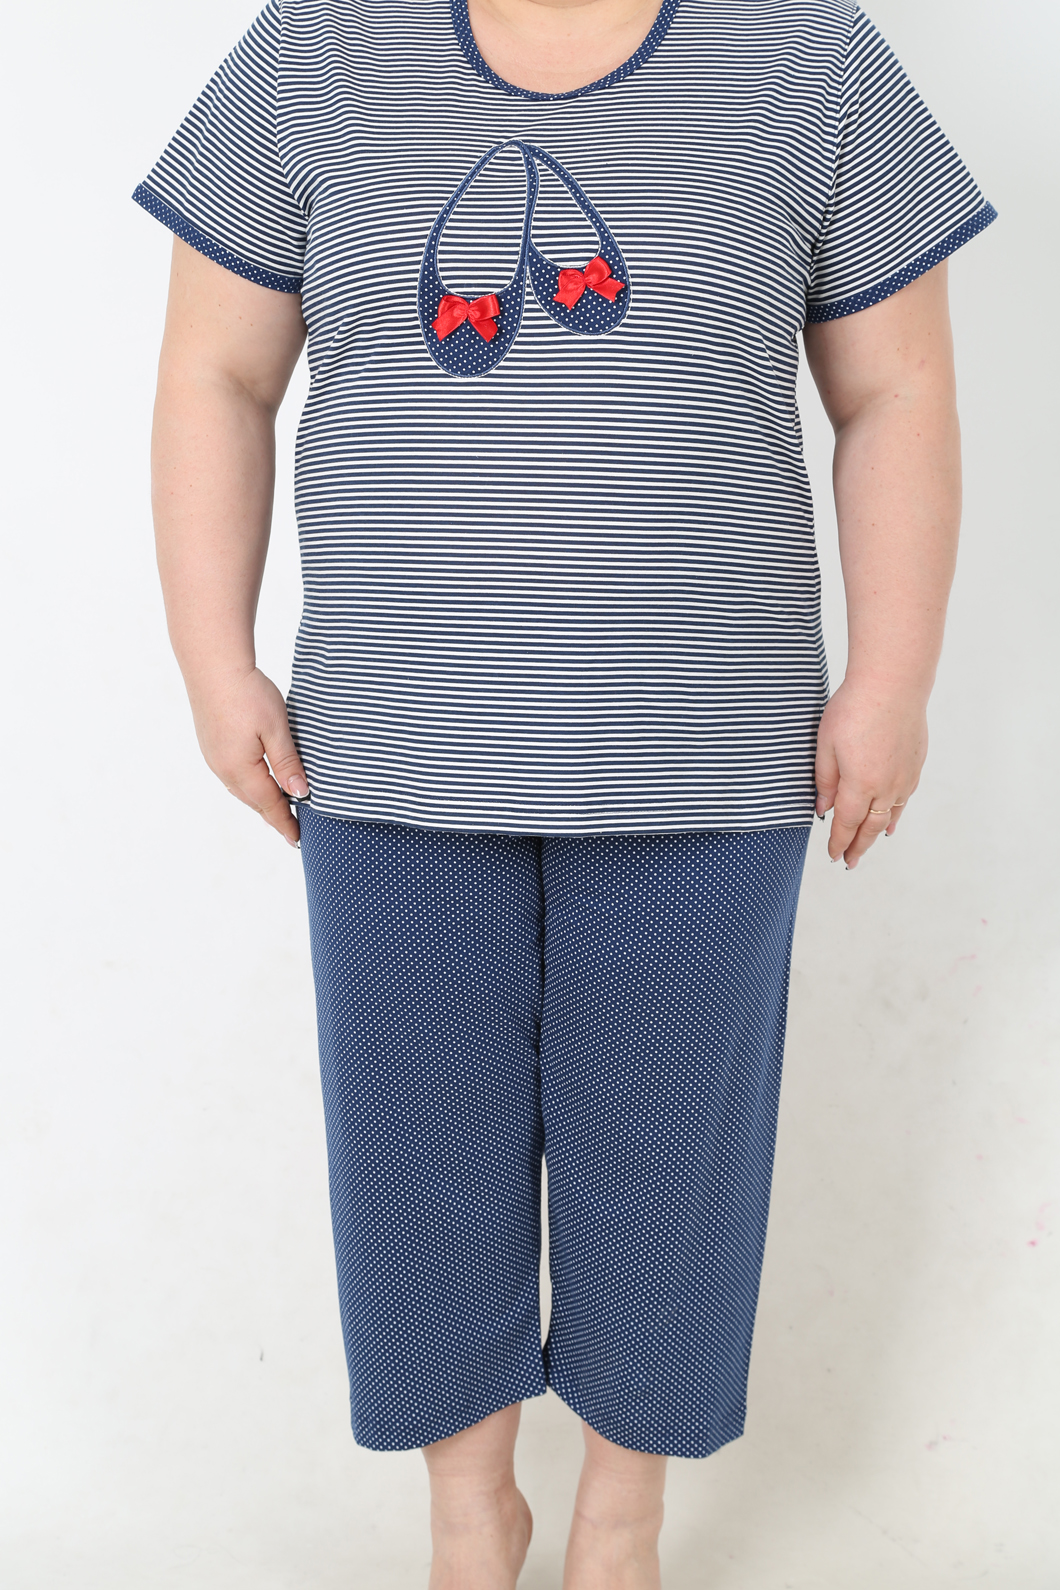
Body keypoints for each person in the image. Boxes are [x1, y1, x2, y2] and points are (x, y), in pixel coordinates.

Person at [137, 0, 994, 1582]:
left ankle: (619, 1521)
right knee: (418, 1156)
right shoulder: (320, 43)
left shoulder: (809, 52)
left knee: (669, 1156)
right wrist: (213, 660)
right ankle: (473, 1515)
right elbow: (215, 373)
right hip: (391, 745)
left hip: (709, 751)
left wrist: (893, 679)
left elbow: (898, 391)